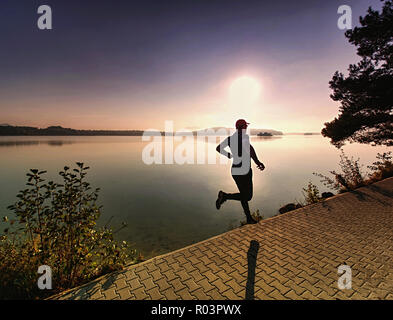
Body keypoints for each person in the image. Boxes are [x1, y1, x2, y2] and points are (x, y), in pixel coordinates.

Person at [215, 119, 265, 224]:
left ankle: (248, 218)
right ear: (242, 127)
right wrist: (258, 162)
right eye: (245, 126)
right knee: (247, 196)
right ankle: (225, 196)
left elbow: (218, 148)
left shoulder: (230, 139)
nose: (246, 128)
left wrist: (228, 155)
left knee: (244, 195)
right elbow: (251, 150)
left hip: (235, 170)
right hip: (245, 171)